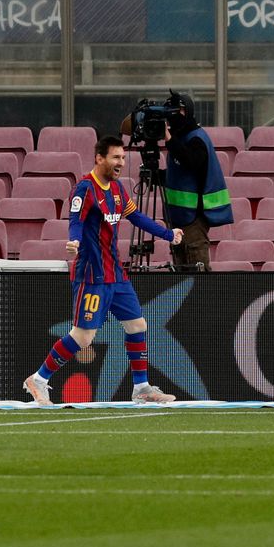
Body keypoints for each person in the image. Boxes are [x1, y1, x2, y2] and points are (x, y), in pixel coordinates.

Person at [23, 135, 184, 406]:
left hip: (116, 275)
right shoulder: (85, 189)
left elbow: (137, 218)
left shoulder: (119, 189)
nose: (120, 162)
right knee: (83, 338)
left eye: (122, 157)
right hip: (92, 275)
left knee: (137, 325)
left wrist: (167, 234)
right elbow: (75, 221)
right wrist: (73, 241)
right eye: (115, 158)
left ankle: (141, 388)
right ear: (100, 158)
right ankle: (38, 379)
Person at [162, 91, 232, 269]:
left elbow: (192, 162)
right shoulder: (180, 138)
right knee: (181, 275)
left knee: (198, 275)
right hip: (178, 217)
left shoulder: (197, 138)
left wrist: (169, 139)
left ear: (184, 112)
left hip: (194, 218)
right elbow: (181, 175)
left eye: (174, 112)